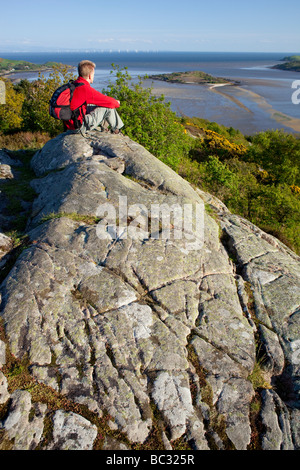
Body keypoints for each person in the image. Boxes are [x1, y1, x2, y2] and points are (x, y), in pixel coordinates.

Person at [64, 60, 124, 134]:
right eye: (93, 74)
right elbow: (110, 102)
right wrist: (117, 103)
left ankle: (104, 128)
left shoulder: (74, 84)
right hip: (78, 127)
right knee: (107, 108)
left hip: (70, 124)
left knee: (96, 104)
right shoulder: (85, 89)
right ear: (89, 75)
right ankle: (117, 131)